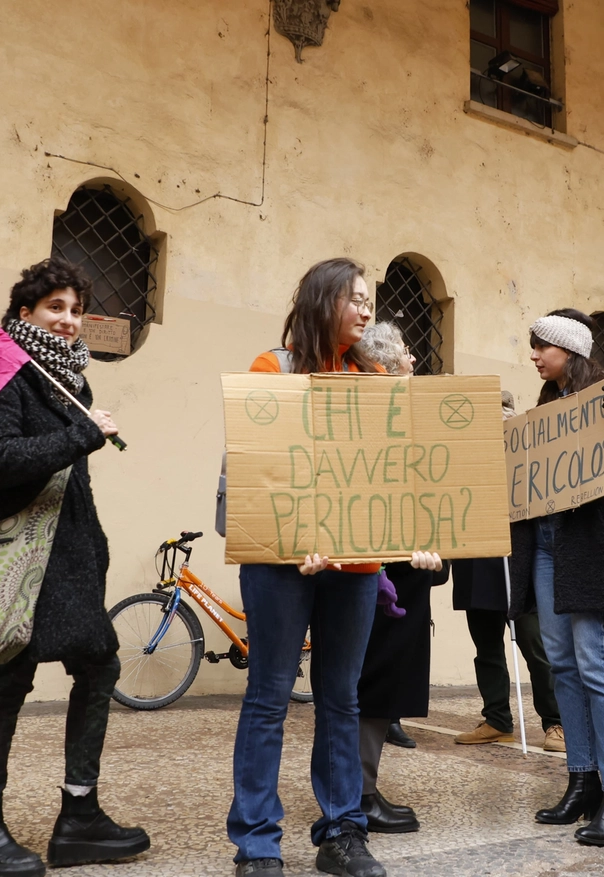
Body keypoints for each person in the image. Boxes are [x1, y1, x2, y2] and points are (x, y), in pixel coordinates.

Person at [0, 258, 148, 877]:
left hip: (70, 561)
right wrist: (79, 436)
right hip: (22, 562)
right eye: (54, 309)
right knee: (8, 680)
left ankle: (80, 816)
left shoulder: (69, 379)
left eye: (74, 310)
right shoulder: (6, 374)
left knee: (98, 665)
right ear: (24, 315)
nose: (68, 321)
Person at [227, 257, 387, 877]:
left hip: (358, 562)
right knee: (269, 694)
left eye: (369, 300)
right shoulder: (274, 368)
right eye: (355, 298)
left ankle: (342, 831)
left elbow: (389, 478)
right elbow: (259, 470)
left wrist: (418, 539)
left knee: (340, 698)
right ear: (324, 302)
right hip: (279, 560)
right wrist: (297, 535)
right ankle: (258, 843)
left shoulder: (373, 379)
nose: (366, 309)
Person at [506, 308, 604, 848]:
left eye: (543, 346)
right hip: (545, 545)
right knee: (561, 663)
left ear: (571, 350)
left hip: (587, 549)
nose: (535, 356)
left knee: (597, 664)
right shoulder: (545, 407)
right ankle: (582, 780)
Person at [351, 322, 449, 834]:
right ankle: (359, 795)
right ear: (386, 368)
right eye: (408, 354)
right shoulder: (382, 421)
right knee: (373, 684)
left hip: (406, 568)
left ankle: (358, 790)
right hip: (384, 572)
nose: (415, 360)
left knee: (375, 687)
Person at [452, 391, 564, 753]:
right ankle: (497, 719)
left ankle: (556, 723)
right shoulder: (463, 460)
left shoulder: (528, 459)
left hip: (519, 562)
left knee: (535, 646)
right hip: (475, 560)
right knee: (486, 647)